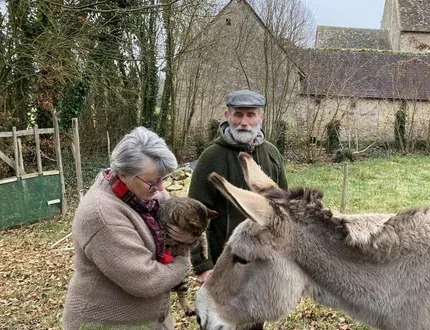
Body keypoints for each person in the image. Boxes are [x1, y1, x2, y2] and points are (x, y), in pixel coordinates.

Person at [63, 127, 199, 330]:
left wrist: (189, 238)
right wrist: (183, 263)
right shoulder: (102, 215)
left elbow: (182, 235)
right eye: (152, 182)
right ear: (124, 174)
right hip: (105, 324)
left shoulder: (151, 198)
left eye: (163, 179)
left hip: (151, 321)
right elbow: (146, 280)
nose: (161, 189)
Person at [189, 89, 288, 283]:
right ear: (227, 116)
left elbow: (284, 210)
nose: (244, 122)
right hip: (224, 265)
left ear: (261, 117)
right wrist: (203, 265)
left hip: (265, 264)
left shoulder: (272, 154)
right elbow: (194, 214)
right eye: (238, 114)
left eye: (250, 115)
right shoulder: (211, 157)